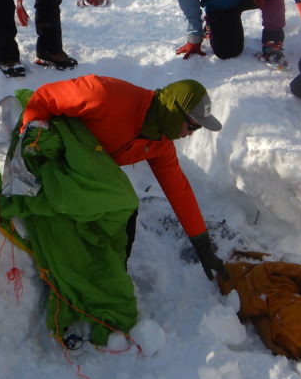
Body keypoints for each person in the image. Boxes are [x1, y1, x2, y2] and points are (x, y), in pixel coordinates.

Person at [21, 75, 229, 281]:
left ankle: (112, 274)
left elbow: (179, 191)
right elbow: (46, 96)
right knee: (123, 199)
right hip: (55, 143)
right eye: (193, 126)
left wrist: (203, 248)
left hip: (87, 163)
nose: (192, 133)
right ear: (175, 112)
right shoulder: (106, 96)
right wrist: (32, 136)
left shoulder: (160, 143)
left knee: (125, 211)